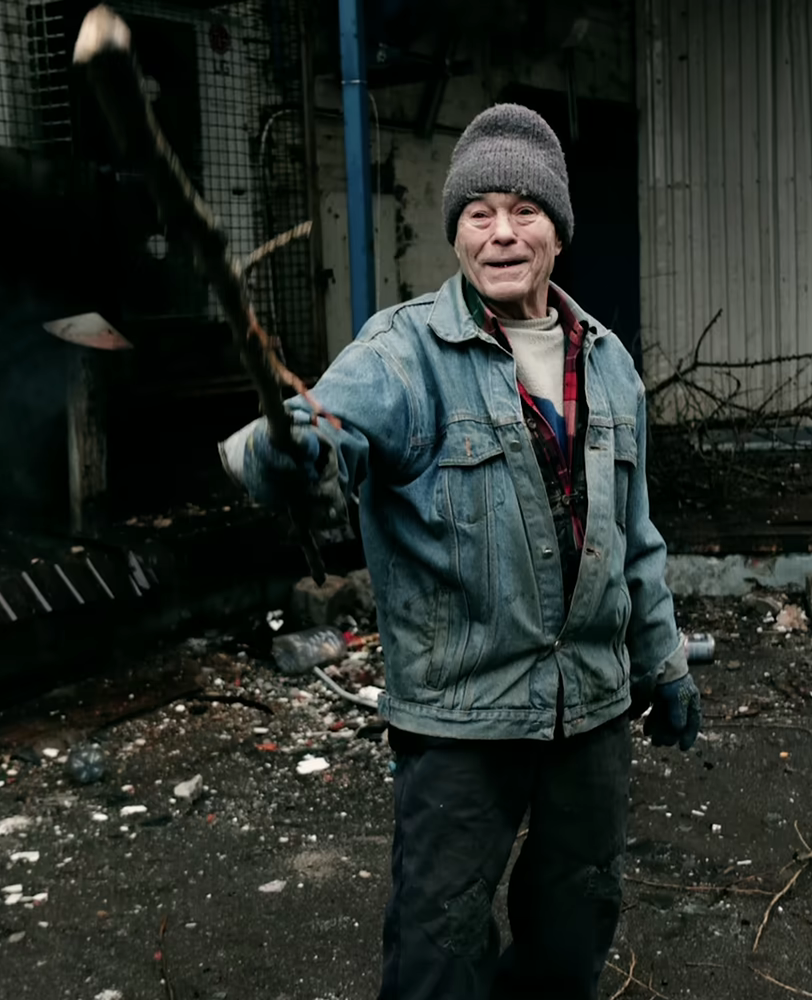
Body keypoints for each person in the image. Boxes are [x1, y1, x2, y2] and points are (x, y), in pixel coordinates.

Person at [219, 103, 700, 1000]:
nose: (501, 233)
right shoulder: (402, 354)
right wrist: (286, 454)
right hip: (460, 719)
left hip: (590, 707)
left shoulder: (607, 363)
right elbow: (314, 431)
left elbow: (634, 538)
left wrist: (663, 661)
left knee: (575, 930)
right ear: (456, 233)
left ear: (557, 230)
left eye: (524, 211)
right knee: (438, 954)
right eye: (480, 213)